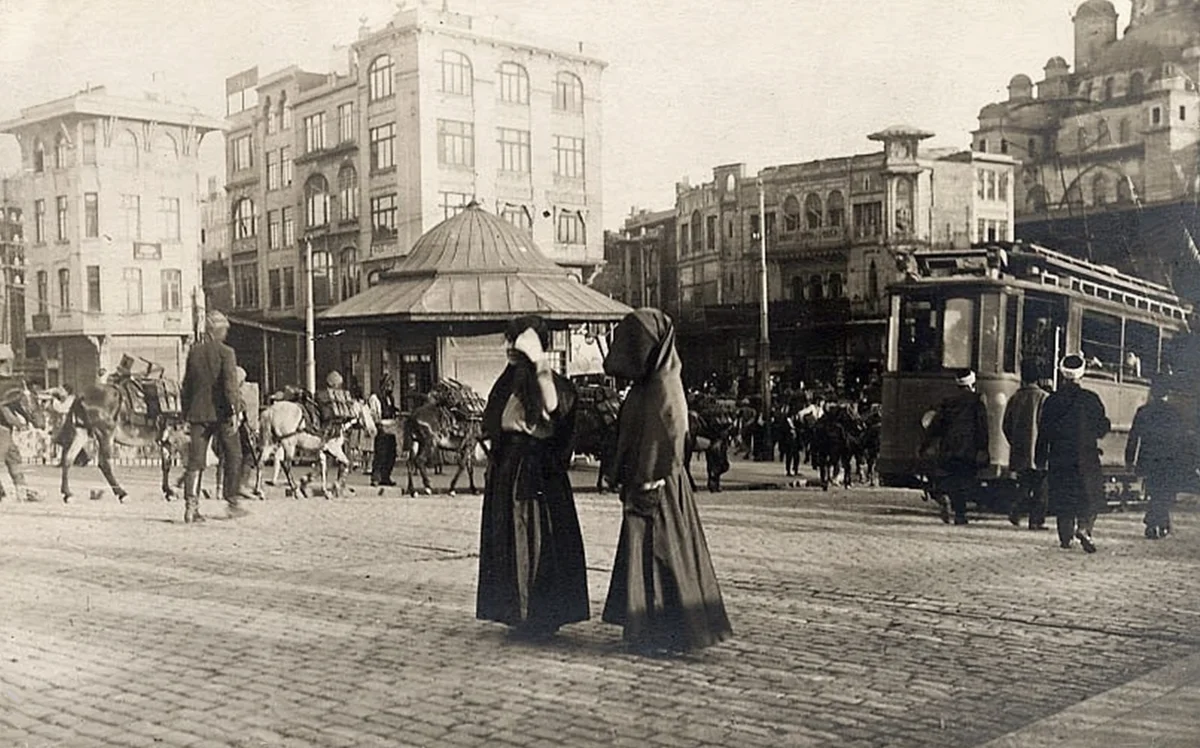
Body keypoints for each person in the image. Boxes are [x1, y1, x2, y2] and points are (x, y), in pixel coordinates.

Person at [601, 308, 732, 655]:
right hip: (647, 480)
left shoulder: (663, 384)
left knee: (659, 553)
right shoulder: (649, 382)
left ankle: (667, 630)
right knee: (646, 553)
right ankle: (649, 627)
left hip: (657, 482)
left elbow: (671, 433)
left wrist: (648, 477)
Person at [476, 315, 589, 639]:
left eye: (518, 341)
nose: (511, 348)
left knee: (536, 539)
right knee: (512, 539)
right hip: (508, 470)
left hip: (536, 472)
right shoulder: (508, 382)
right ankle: (517, 611)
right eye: (509, 340)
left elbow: (555, 407)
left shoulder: (548, 381)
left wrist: (539, 360)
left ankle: (539, 612)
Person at [179, 310, 249, 524]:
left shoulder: (194, 352)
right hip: (221, 414)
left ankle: (191, 508)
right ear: (218, 330)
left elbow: (187, 386)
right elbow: (230, 386)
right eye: (225, 329)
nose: (226, 333)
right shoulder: (227, 353)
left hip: (197, 414)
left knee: (195, 461)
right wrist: (236, 411)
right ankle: (232, 501)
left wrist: (186, 414)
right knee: (234, 455)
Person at [1036, 354, 1110, 553]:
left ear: (1062, 373)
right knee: (1089, 496)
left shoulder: (1052, 400)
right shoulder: (1090, 399)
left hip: (1059, 456)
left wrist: (1040, 457)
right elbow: (1102, 428)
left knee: (1063, 496)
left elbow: (1044, 430)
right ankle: (1084, 528)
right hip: (1086, 456)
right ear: (1082, 373)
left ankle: (1065, 538)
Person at [1126, 373, 1195, 540]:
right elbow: (1181, 440)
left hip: (1148, 459)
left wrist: (1129, 459)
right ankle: (1157, 524)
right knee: (1164, 493)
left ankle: (1155, 524)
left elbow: (1134, 437)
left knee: (1154, 491)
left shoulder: (1143, 411)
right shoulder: (1174, 413)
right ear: (1167, 393)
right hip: (1169, 460)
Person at [920, 369, 989, 525]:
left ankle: (948, 501)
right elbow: (982, 427)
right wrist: (983, 448)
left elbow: (936, 426)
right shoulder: (977, 401)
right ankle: (960, 515)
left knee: (952, 478)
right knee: (965, 481)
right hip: (969, 449)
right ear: (972, 383)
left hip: (949, 448)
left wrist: (925, 445)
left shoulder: (948, 401)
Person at [1003, 362, 1050, 531]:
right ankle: (1036, 521)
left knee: (1024, 483)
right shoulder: (1044, 397)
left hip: (1021, 450)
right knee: (1042, 487)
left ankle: (1015, 510)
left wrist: (1015, 441)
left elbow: (1005, 425)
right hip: (1039, 451)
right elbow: (1047, 426)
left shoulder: (1015, 397)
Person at [368, 373, 398, 487]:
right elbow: (374, 413)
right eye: (388, 385)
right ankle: (376, 477)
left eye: (391, 385)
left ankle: (386, 476)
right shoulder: (375, 397)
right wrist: (378, 422)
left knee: (391, 453)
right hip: (381, 427)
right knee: (380, 453)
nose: (390, 388)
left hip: (391, 427)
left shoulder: (390, 398)